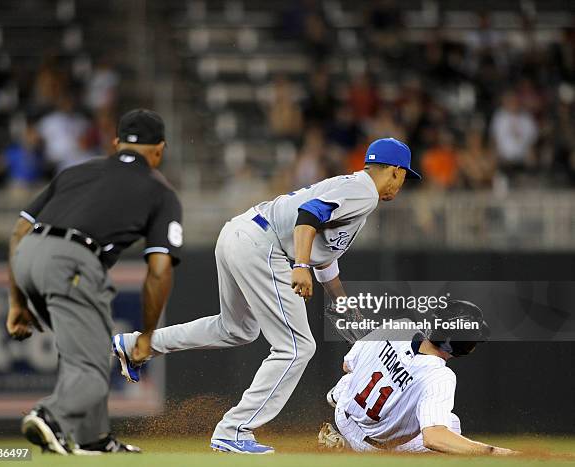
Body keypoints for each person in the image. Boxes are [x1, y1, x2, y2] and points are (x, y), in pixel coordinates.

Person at [112, 137, 420, 454]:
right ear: (395, 171)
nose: (401, 185)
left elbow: (326, 253)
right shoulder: (365, 192)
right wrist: (299, 265)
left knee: (236, 328)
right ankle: (234, 430)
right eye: (404, 177)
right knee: (297, 346)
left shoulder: (353, 189)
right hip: (263, 245)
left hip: (239, 233)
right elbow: (309, 215)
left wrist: (339, 298)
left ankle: (137, 346)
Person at [6, 109, 182, 455]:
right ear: (160, 150)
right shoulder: (160, 192)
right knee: (92, 368)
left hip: (26, 254)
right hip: (73, 261)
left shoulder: (77, 170)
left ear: (116, 144)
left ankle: (93, 439)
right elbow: (159, 269)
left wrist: (17, 302)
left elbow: (19, 229)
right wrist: (146, 334)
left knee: (84, 353)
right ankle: (50, 415)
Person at [318, 300, 519, 456]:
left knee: (354, 377)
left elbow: (347, 365)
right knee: (450, 424)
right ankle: (355, 446)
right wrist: (497, 453)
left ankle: (338, 408)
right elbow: (434, 439)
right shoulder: (440, 376)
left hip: (343, 415)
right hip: (371, 446)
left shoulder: (400, 326)